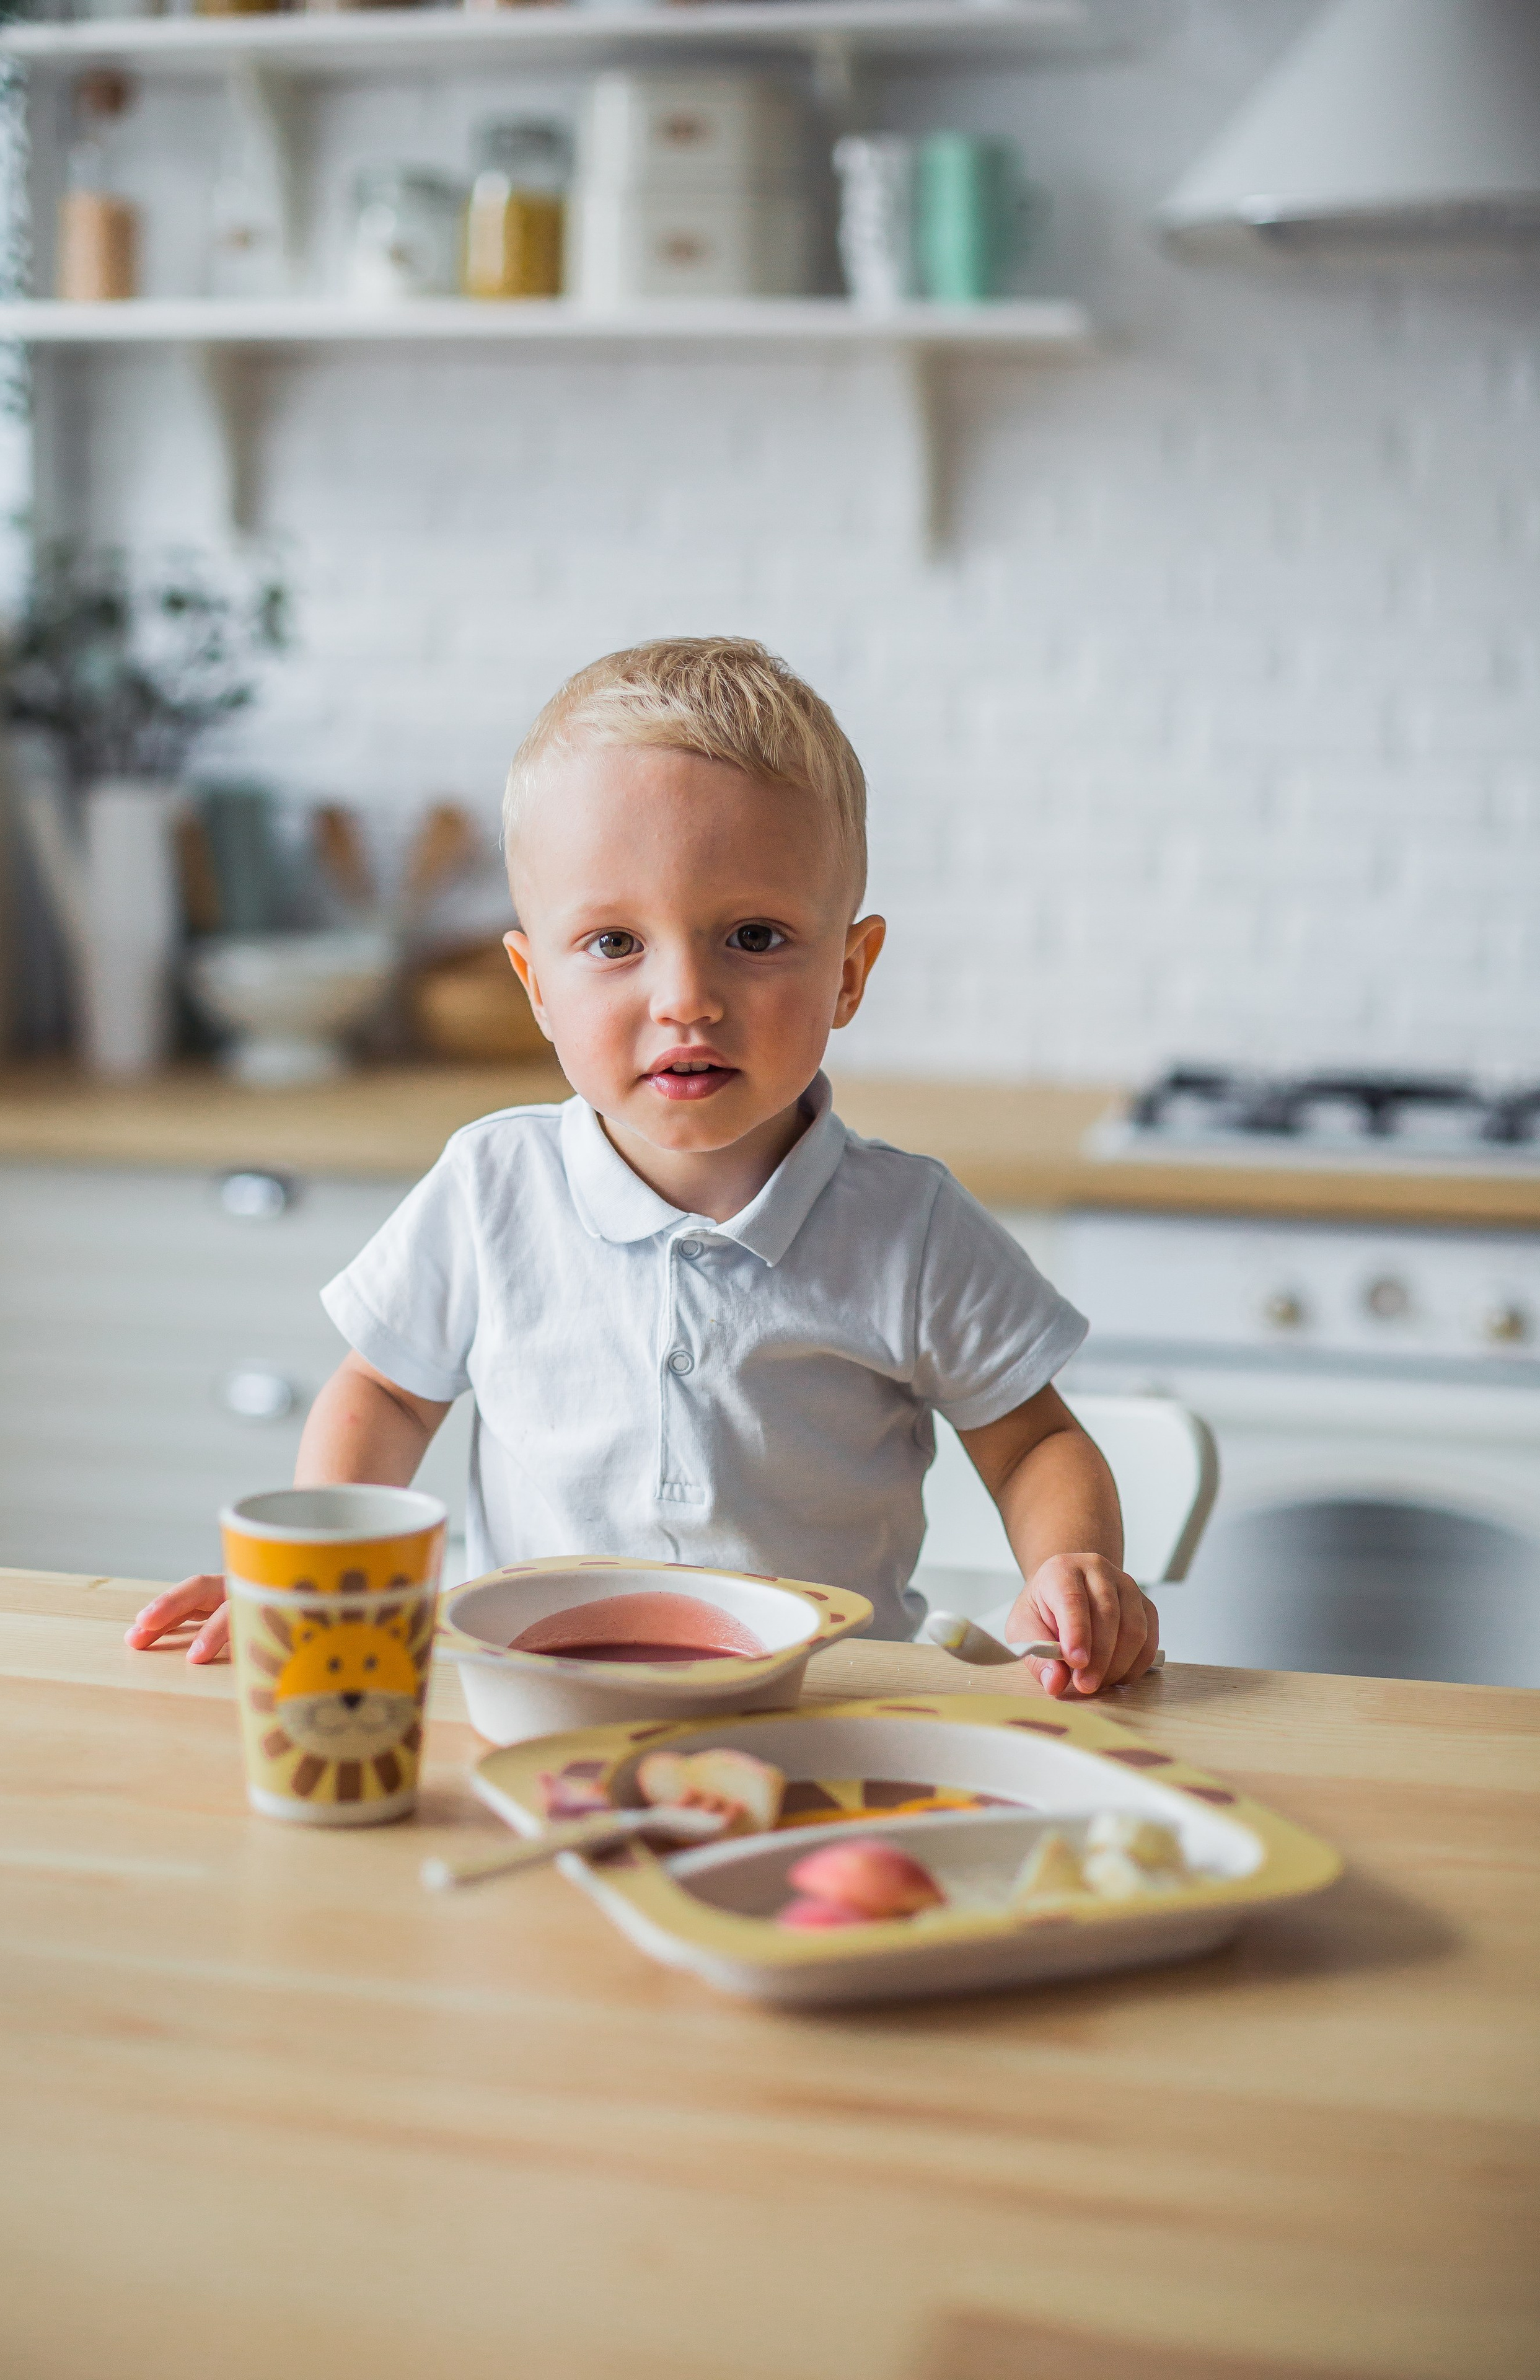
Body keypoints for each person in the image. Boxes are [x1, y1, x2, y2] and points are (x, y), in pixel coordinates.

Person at [127, 637, 1158, 1696]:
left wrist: (1069, 1569)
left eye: (753, 936)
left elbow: (1035, 1444)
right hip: (533, 1705)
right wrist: (319, 1578)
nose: (686, 999)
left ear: (849, 972)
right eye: (616, 943)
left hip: (820, 1721)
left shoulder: (910, 1227)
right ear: (535, 983)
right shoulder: (491, 1188)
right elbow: (385, 1394)